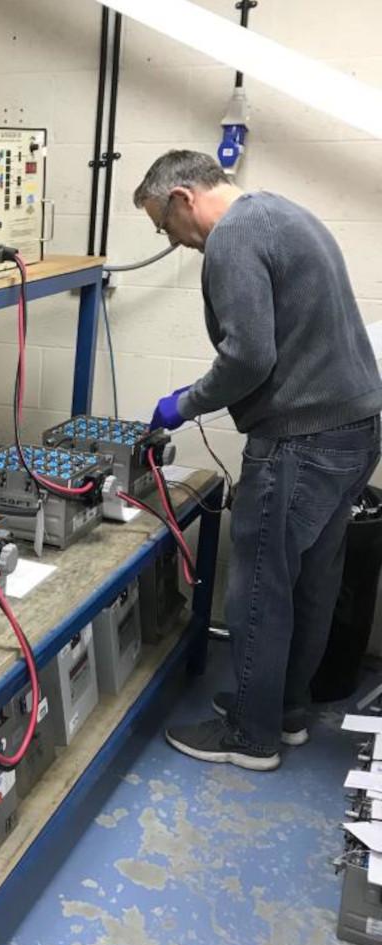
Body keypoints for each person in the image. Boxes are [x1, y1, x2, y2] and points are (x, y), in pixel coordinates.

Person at [136, 150, 382, 771]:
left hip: (300, 442)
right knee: (311, 582)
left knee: (259, 591)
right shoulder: (282, 213)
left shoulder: (233, 236)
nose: (174, 241)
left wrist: (184, 404)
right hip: (355, 431)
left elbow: (248, 357)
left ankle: (250, 736)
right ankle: (284, 711)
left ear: (183, 198)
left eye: (165, 226)